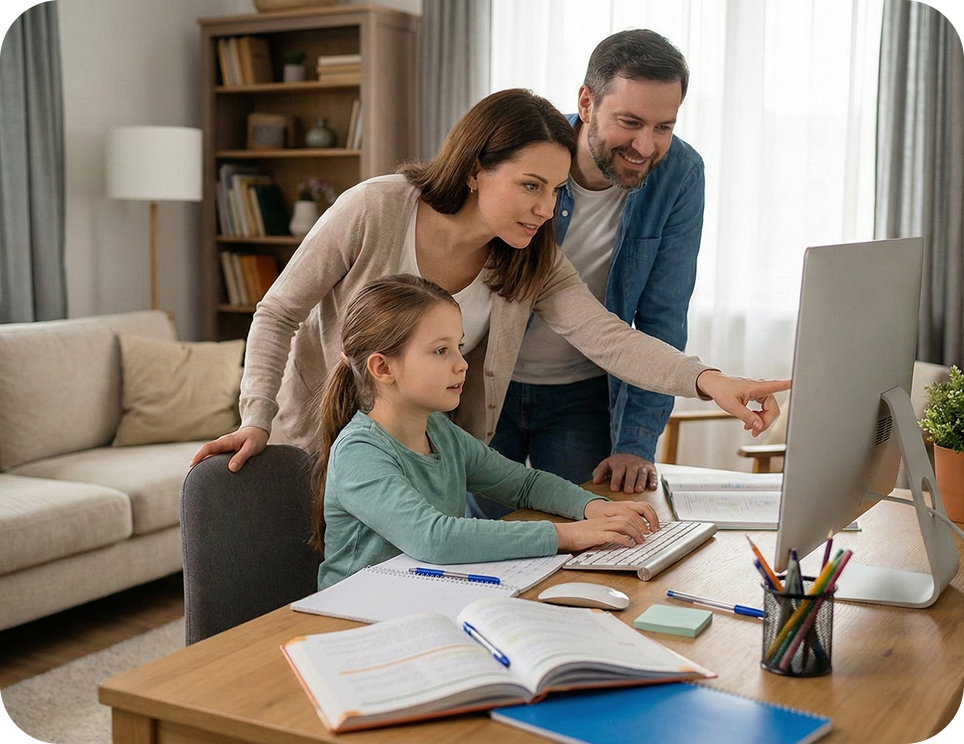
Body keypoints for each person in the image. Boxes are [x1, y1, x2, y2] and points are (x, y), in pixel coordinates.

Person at [191, 88, 787, 475]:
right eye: (530, 185)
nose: (546, 208)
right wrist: (256, 417)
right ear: (476, 170)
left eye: (555, 191)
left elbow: (608, 338)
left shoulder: (530, 258)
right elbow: (277, 313)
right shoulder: (375, 209)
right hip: (317, 442)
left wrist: (712, 381)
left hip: (418, 455)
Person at [312, 274, 659, 589]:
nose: (461, 364)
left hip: (423, 596)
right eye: (440, 350)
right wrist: (567, 535)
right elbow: (435, 539)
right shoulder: (360, 452)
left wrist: (592, 507)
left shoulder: (440, 431)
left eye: (459, 347)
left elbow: (523, 484)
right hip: (351, 613)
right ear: (383, 367)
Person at [484, 30, 706, 514]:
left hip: (583, 394)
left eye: (664, 127)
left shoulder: (681, 175)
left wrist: (636, 440)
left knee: (577, 539)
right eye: (630, 122)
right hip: (486, 381)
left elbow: (663, 316)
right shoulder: (525, 154)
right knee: (480, 538)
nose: (646, 146)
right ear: (586, 102)